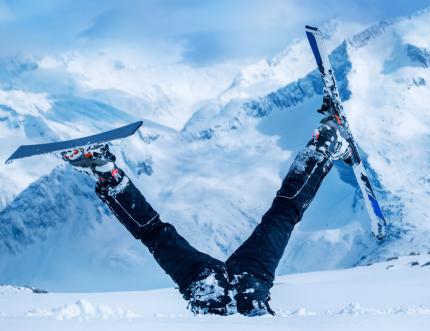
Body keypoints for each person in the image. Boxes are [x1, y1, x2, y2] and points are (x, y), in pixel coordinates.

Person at [61, 116, 351, 317]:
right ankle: (106, 173)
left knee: (283, 214)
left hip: (249, 289)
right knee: (155, 234)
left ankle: (324, 145)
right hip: (207, 291)